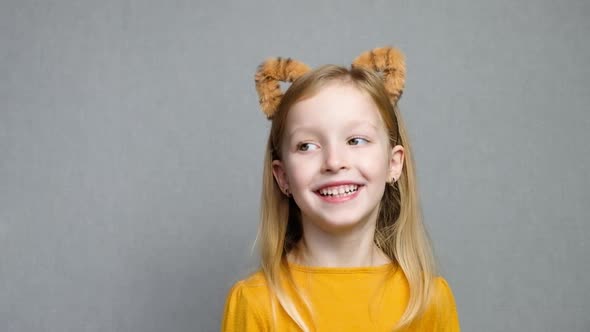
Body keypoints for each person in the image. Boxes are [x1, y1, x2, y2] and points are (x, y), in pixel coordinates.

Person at [220, 46, 460, 331]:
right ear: (282, 176)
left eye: (356, 140)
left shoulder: (428, 300)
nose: (334, 162)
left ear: (393, 164)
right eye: (307, 145)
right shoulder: (256, 301)